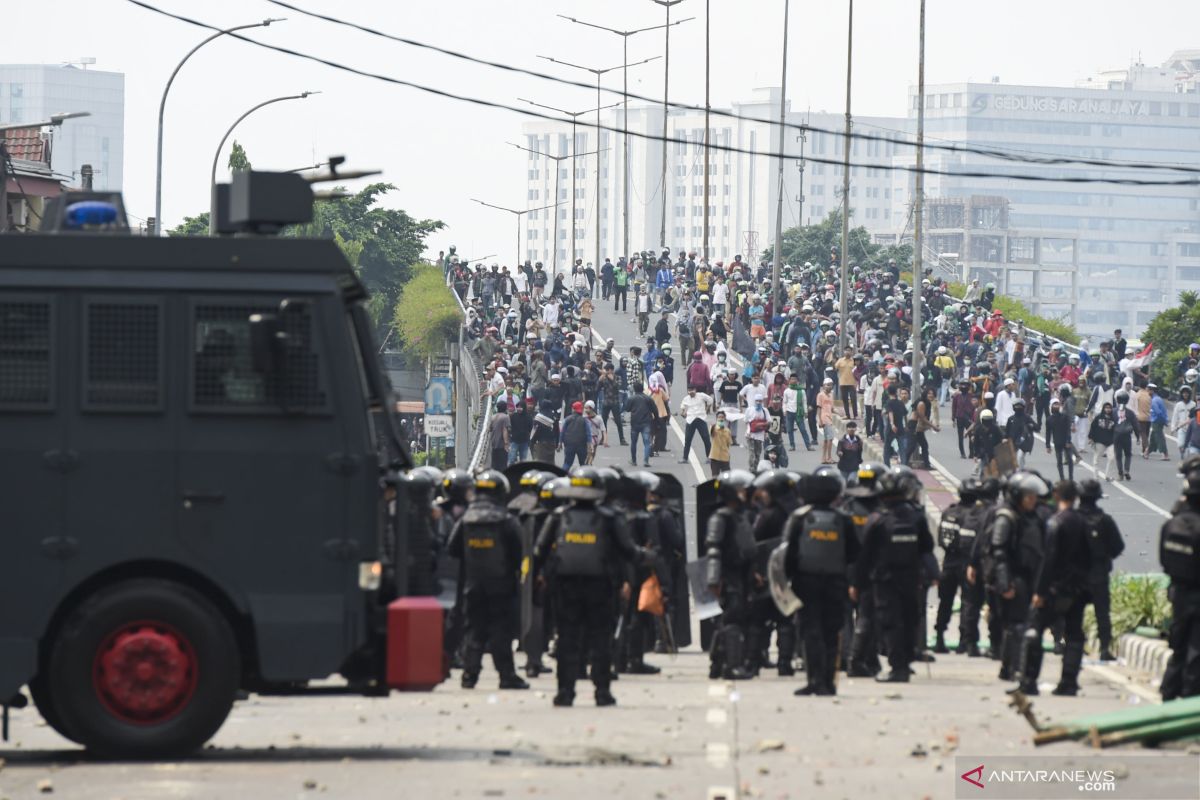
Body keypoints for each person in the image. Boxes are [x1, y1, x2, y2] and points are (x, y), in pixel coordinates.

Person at [534, 467, 649, 707]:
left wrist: (541, 578)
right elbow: (628, 551)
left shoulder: (558, 516)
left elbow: (539, 552)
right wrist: (647, 556)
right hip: (601, 587)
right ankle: (602, 692)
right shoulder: (610, 518)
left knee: (567, 639)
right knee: (600, 639)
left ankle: (565, 692)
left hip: (565, 587)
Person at [445, 470, 530, 690]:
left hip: (473, 584)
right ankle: (507, 675)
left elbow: (452, 549)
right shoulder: (507, 520)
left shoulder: (466, 520)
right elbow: (520, 551)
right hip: (502, 584)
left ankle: (469, 676)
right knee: (501, 631)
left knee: (475, 629)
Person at [853, 466, 934, 683]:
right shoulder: (916, 517)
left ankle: (898, 667)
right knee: (909, 620)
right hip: (910, 579)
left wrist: (857, 584)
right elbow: (927, 548)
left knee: (892, 622)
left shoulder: (877, 520)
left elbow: (865, 556)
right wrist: (932, 574)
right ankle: (904, 664)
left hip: (885, 581)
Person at [784, 467, 859, 695]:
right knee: (831, 634)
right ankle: (828, 683)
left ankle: (813, 680)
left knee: (810, 633)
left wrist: (788, 582)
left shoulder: (799, 519)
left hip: (806, 584)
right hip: (836, 584)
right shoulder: (843, 520)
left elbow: (788, 555)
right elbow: (855, 553)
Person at [1015, 480, 1089, 696]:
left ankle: (1028, 681)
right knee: (1075, 635)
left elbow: (1048, 560)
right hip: (1077, 588)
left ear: (1056, 496)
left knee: (1034, 630)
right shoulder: (1083, 522)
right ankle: (1069, 683)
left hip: (1055, 588)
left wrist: (1039, 591)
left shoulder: (1055, 523)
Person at [986, 471, 1049, 682]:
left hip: (1031, 577)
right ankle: (1010, 668)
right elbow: (999, 552)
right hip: (1015, 578)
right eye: (1028, 496)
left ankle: (1014, 666)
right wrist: (1005, 583)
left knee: (1025, 625)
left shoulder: (1032, 517)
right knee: (1016, 626)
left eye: (1034, 496)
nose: (1032, 500)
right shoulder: (1006, 517)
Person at [705, 469, 758, 680]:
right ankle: (732, 666)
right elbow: (714, 549)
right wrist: (713, 579)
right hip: (728, 576)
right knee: (732, 619)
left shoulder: (740, 516)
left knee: (731, 620)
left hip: (742, 574)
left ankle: (717, 664)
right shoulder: (721, 517)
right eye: (741, 491)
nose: (745, 494)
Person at [749, 469, 801, 677]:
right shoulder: (797, 513)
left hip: (767, 572)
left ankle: (754, 662)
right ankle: (785, 663)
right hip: (789, 574)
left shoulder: (768, 514)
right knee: (786, 620)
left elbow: (754, 542)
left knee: (759, 621)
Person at [1160, 457, 1200, 700]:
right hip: (1196, 596)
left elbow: (1164, 561)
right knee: (1195, 655)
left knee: (1177, 651)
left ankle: (1167, 700)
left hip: (1178, 594)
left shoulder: (1172, 524)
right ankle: (1187, 705)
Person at [1077, 479, 1124, 662]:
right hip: (1098, 573)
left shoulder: (1070, 519)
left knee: (1075, 614)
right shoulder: (1105, 521)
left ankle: (1075, 647)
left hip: (1076, 575)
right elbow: (1118, 547)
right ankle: (1105, 648)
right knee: (1102, 614)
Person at [932, 479, 981, 654]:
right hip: (966, 564)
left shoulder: (948, 513)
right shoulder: (974, 516)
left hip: (948, 562)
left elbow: (941, 539)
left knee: (945, 602)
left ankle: (939, 638)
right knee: (969, 603)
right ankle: (965, 642)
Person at [679, 385, 714, 463]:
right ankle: (685, 458)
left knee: (706, 439)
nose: (691, 392)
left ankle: (709, 457)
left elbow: (710, 400)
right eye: (689, 390)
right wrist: (683, 412)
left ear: (695, 389)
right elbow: (682, 407)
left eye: (692, 390)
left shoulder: (701, 395)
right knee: (687, 440)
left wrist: (707, 409)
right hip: (690, 420)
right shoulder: (686, 399)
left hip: (700, 418)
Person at [625, 382, 656, 468]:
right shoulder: (648, 398)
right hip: (646, 422)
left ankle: (634, 460)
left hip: (635, 423)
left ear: (634, 389)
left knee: (634, 442)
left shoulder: (631, 398)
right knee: (647, 442)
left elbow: (627, 409)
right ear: (643, 389)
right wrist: (655, 419)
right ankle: (646, 460)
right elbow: (655, 410)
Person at [1044, 398, 1073, 480]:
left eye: (1057, 404)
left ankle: (1071, 477)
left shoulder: (1065, 417)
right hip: (1057, 442)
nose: (1056, 406)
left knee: (1070, 460)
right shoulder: (1049, 419)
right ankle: (1062, 478)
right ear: (1051, 406)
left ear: (1060, 406)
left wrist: (1068, 440)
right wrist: (1048, 445)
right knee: (1059, 461)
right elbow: (1048, 433)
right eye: (1054, 404)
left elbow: (1068, 430)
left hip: (1066, 441)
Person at [1088, 401, 1118, 481]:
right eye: (1106, 408)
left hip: (1110, 442)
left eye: (1109, 408)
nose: (1108, 410)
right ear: (1103, 409)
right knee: (1097, 460)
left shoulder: (1114, 419)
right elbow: (1093, 427)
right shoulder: (1098, 417)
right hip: (1099, 441)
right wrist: (1091, 438)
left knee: (1111, 458)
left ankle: (1108, 475)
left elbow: (1116, 430)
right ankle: (1095, 477)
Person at [560, 401, 590, 470]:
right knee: (584, 464)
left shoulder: (567, 419)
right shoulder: (584, 420)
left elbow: (562, 431)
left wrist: (560, 443)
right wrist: (590, 445)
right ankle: (586, 478)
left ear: (573, 409)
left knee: (567, 463)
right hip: (581, 444)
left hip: (569, 444)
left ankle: (561, 476)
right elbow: (588, 433)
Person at [1112, 391, 1135, 481]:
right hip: (1127, 435)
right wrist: (1137, 436)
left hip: (1116, 435)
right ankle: (1127, 470)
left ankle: (1120, 473)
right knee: (1128, 454)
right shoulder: (1130, 412)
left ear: (1117, 400)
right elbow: (1135, 425)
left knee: (1118, 455)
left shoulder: (1113, 411)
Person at [744, 396, 771, 471]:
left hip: (760, 436)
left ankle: (755, 469)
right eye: (757, 401)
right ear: (754, 401)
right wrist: (748, 431)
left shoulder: (764, 411)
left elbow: (769, 421)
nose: (758, 402)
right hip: (750, 435)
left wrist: (764, 429)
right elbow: (746, 421)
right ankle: (751, 469)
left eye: (760, 401)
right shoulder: (749, 410)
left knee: (757, 454)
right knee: (751, 453)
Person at [817, 378, 837, 465]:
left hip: (829, 417)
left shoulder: (831, 395)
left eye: (831, 385)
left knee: (826, 439)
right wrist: (819, 420)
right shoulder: (820, 395)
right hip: (824, 418)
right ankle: (829, 457)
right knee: (830, 438)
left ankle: (823, 458)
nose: (829, 386)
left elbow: (832, 408)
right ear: (824, 385)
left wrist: (840, 413)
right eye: (827, 384)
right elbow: (819, 408)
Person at [1149, 383, 1171, 460]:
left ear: (1152, 391)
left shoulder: (1154, 401)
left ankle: (1165, 454)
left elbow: (1158, 412)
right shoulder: (1159, 399)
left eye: (1149, 390)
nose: (1148, 391)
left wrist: (1164, 421)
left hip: (1156, 421)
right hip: (1159, 421)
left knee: (1159, 438)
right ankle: (1147, 452)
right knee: (1153, 438)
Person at [709, 410, 733, 477]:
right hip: (715, 457)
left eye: (722, 417)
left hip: (725, 458)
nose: (721, 419)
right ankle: (716, 488)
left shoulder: (727, 431)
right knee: (715, 478)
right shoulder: (714, 428)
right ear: (716, 418)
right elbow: (712, 432)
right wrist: (714, 425)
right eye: (719, 417)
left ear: (724, 418)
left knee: (726, 477)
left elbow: (729, 444)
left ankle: (724, 488)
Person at [490, 400, 512, 470]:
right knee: (502, 465)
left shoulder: (493, 417)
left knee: (494, 464)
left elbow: (489, 429)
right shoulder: (505, 417)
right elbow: (505, 430)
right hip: (501, 445)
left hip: (493, 444)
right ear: (505, 408)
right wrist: (506, 443)